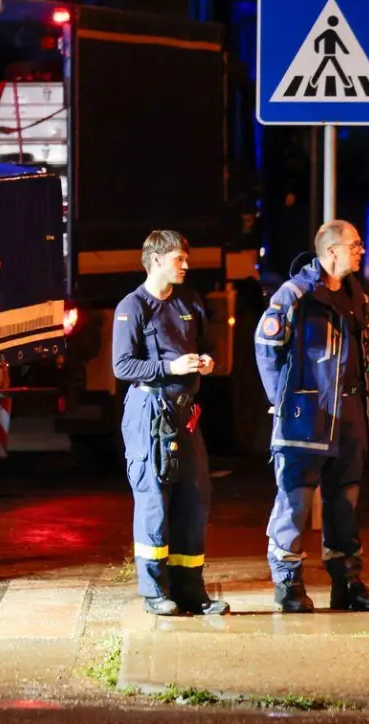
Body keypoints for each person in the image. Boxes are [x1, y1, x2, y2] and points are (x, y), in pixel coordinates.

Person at [255, 220, 369, 613]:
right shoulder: (295, 295)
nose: (362, 250)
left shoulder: (356, 295)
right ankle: (288, 583)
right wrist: (282, 401)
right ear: (332, 252)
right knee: (295, 500)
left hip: (348, 416)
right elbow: (266, 349)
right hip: (306, 417)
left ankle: (347, 582)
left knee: (344, 501)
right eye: (355, 245)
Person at [112, 230, 228, 616]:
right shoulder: (133, 307)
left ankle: (191, 590)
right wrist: (169, 367)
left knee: (194, 498)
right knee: (153, 500)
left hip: (185, 414)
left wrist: (206, 362)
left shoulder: (189, 301)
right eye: (179, 258)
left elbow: (207, 346)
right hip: (149, 414)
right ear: (156, 260)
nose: (186, 265)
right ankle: (154, 592)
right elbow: (123, 365)